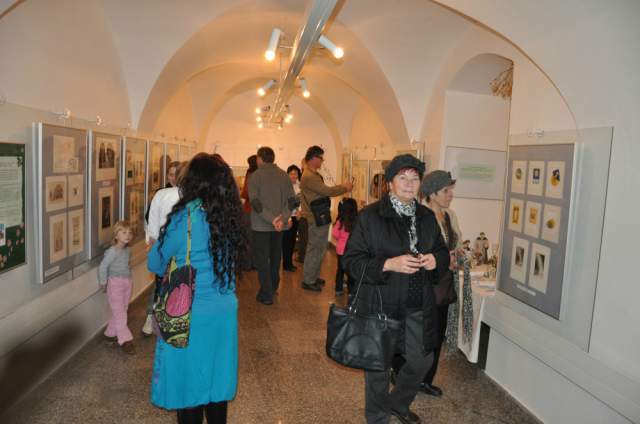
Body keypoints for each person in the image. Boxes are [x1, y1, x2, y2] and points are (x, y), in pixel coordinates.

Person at [342, 154, 449, 424]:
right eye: (402, 177)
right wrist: (388, 264)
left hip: (417, 303)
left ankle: (398, 403)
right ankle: (378, 418)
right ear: (389, 183)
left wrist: (436, 259)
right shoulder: (370, 217)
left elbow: (441, 250)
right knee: (378, 368)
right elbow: (351, 261)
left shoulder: (426, 217)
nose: (409, 183)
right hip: (381, 303)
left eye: (415, 178)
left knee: (422, 361)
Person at [147, 153, 247, 424]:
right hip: (223, 310)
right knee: (216, 378)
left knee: (188, 383)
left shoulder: (185, 218)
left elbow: (155, 263)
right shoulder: (231, 217)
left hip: (188, 311)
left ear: (193, 182)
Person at [392, 170, 461, 398]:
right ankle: (402, 373)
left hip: (443, 284)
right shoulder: (420, 216)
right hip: (423, 284)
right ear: (432, 193)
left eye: (451, 190)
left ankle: (426, 380)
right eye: (446, 190)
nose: (450, 195)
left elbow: (455, 245)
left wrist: (455, 256)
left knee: (436, 334)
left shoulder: (450, 216)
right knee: (415, 334)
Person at [248, 147, 297, 305]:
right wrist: (282, 219)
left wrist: (272, 219)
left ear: (260, 158)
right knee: (276, 259)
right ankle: (273, 286)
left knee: (262, 260)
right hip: (279, 227)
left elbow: (256, 203)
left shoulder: (255, 176)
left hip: (261, 226)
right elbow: (292, 201)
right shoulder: (284, 176)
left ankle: (266, 293)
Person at [299, 146, 353, 291]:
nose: (322, 161)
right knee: (315, 249)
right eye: (321, 158)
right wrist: (345, 187)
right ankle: (308, 280)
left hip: (319, 216)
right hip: (316, 218)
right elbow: (327, 191)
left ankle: (313, 276)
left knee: (319, 248)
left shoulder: (311, 174)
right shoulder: (309, 176)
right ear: (314, 158)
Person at [141, 161, 184, 336]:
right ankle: (151, 317)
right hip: (164, 247)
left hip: (176, 248)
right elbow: (151, 219)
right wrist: (152, 243)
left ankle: (171, 317)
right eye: (171, 174)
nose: (173, 178)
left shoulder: (182, 195)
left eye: (177, 174)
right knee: (160, 283)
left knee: (176, 283)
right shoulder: (161, 194)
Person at [98, 221, 135, 355]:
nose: (127, 235)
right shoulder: (112, 251)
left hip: (127, 282)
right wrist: (103, 282)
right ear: (116, 235)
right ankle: (125, 340)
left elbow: (126, 264)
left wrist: (129, 279)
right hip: (115, 284)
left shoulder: (127, 250)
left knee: (122, 310)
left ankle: (109, 334)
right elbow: (103, 266)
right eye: (123, 232)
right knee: (120, 313)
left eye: (129, 232)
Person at [331, 198, 358, 297]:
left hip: (341, 251)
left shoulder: (341, 221)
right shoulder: (357, 221)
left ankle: (338, 289)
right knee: (351, 271)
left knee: (340, 270)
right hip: (353, 250)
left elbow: (335, 234)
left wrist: (341, 239)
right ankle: (351, 291)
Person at [282, 164, 302, 272]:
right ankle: (286, 264)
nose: (294, 176)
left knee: (293, 241)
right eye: (291, 174)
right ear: (288, 174)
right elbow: (284, 204)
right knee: (286, 241)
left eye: (296, 174)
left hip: (296, 216)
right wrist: (289, 218)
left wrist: (300, 211)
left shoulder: (299, 186)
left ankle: (290, 263)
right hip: (287, 217)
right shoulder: (285, 186)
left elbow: (301, 201)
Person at [295, 158, 309, 263]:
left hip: (305, 214)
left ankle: (302, 257)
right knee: (303, 236)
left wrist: (300, 212)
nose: (302, 167)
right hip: (303, 213)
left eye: (303, 164)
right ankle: (302, 256)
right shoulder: (305, 177)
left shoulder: (307, 178)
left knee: (304, 237)